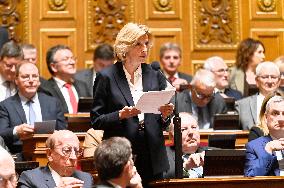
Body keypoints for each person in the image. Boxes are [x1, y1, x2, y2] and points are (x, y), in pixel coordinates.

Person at [91, 22, 174, 186]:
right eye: (138, 44)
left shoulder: (154, 73)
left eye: (146, 44)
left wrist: (165, 115)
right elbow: (96, 120)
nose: (145, 49)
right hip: (122, 153)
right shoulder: (106, 76)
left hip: (153, 152)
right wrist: (120, 115)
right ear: (125, 47)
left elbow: (163, 122)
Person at [0, 62, 66, 159]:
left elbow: (63, 131)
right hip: (19, 156)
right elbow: (1, 133)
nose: (31, 80)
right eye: (26, 77)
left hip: (51, 154)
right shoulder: (5, 106)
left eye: (34, 76)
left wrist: (57, 134)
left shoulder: (53, 103)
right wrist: (17, 131)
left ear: (39, 81)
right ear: (16, 80)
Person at [18, 130, 93, 187]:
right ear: (50, 154)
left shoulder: (86, 178)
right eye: (67, 150)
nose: (73, 157)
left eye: (77, 151)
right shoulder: (31, 178)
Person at [45, 45, 91, 114]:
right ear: (53, 67)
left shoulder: (82, 86)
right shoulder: (46, 89)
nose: (72, 62)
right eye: (66, 59)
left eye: (73, 58)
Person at [244, 95, 284, 176]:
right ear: (266, 118)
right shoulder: (253, 146)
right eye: (275, 113)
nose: (281, 119)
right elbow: (250, 178)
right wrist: (268, 151)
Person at [236, 62, 280, 130]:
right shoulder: (242, 105)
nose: (270, 81)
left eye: (273, 77)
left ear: (279, 81)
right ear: (257, 81)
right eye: (265, 77)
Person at [163, 112, 204, 179]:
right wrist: (185, 167)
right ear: (171, 136)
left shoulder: (212, 152)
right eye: (184, 129)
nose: (191, 132)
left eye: (194, 127)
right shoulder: (163, 155)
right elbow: (162, 178)